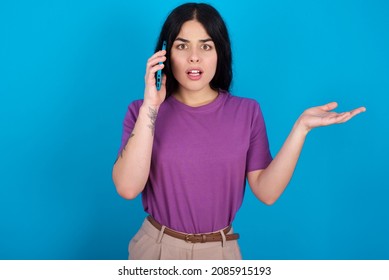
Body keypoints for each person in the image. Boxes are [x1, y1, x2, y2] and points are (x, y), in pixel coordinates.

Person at [112, 3, 365, 260]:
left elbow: (267, 193)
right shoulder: (142, 111)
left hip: (221, 252)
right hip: (156, 249)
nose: (194, 56)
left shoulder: (247, 112)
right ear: (164, 54)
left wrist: (301, 129)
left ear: (220, 52)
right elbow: (127, 188)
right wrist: (151, 107)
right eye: (182, 45)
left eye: (206, 46)